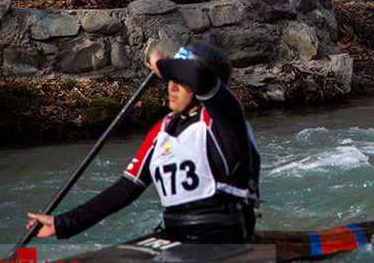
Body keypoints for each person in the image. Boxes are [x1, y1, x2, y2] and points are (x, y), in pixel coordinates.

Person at [26, 42, 260, 244]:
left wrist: (161, 66)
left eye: (180, 79)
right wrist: (62, 223)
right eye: (170, 80)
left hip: (223, 232)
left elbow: (199, 74)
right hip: (176, 234)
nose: (171, 86)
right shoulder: (163, 129)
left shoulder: (226, 117)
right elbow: (126, 189)